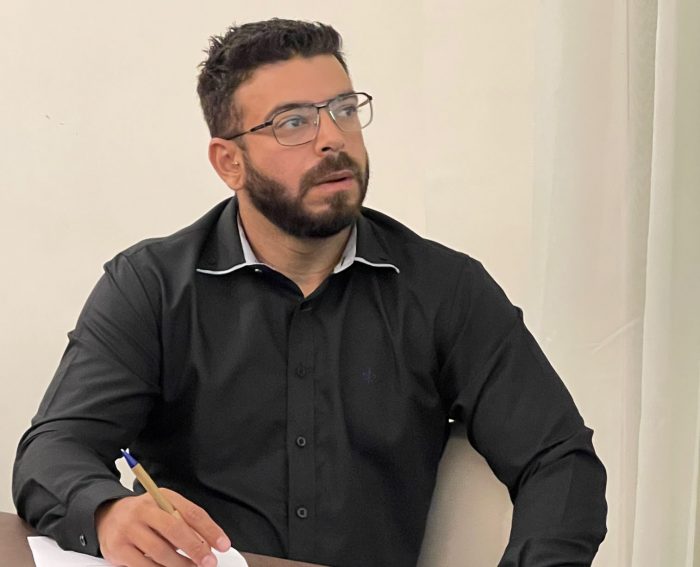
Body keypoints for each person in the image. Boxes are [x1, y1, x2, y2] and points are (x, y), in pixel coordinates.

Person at [13, 18, 607, 567]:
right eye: (293, 122)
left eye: (344, 110)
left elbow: (559, 459)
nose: (332, 139)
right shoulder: (152, 287)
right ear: (229, 162)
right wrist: (107, 512)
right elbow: (54, 449)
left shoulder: (445, 290)